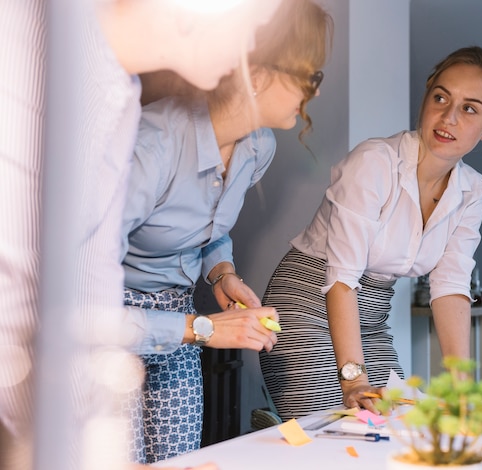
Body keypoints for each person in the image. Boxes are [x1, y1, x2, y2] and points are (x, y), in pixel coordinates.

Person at [0, 0, 286, 469]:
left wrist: (220, 274)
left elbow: (86, 288)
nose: (250, 48)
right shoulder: (38, 62)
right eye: (250, 23)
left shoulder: (119, 92)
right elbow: (49, 311)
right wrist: (204, 328)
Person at [119, 0, 333, 463]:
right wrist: (204, 329)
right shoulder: (149, 148)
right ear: (257, 74)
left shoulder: (259, 147)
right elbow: (75, 304)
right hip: (113, 322)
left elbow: (209, 228)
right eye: (310, 77)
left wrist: (221, 273)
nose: (314, 94)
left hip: (181, 317)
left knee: (180, 459)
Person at [259, 46, 482, 420]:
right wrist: (354, 379)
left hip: (371, 320)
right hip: (306, 306)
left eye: (470, 108)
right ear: (426, 97)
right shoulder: (374, 163)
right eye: (441, 97)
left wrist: (462, 387)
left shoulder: (472, 193)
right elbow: (342, 278)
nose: (449, 117)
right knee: (342, 430)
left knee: (398, 424)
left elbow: (451, 288)